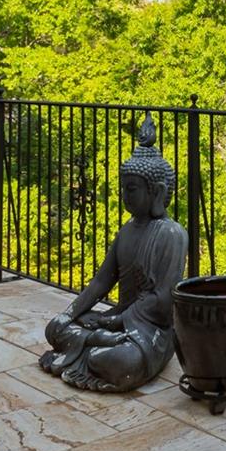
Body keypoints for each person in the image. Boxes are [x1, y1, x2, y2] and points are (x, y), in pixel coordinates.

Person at [39, 114, 187, 392]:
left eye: (131, 189)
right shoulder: (127, 231)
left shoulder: (172, 234)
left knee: (123, 360)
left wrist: (116, 320)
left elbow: (163, 300)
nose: (124, 196)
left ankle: (99, 349)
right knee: (55, 329)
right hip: (119, 321)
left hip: (149, 330)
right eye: (123, 188)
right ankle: (99, 345)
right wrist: (70, 313)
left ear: (157, 192)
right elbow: (101, 282)